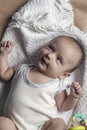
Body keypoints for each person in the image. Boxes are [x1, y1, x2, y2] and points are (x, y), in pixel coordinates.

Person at [0, 36, 84, 130]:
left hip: (41, 127)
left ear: (64, 75)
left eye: (58, 59)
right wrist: (3, 55)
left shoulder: (57, 85)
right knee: (2, 122)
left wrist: (74, 97)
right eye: (50, 48)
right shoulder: (22, 69)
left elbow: (63, 106)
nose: (50, 55)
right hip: (13, 125)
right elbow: (4, 74)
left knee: (59, 123)